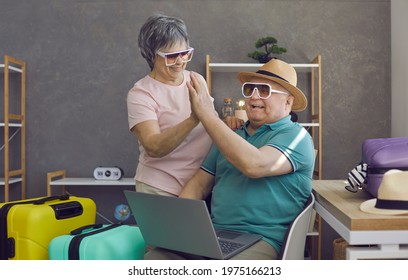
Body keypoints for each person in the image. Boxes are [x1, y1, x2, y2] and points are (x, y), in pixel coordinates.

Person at [145, 58, 315, 260]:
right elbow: (199, 185)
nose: (253, 97)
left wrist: (207, 114)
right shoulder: (230, 134)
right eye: (249, 89)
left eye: (264, 91)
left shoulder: (297, 137)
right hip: (213, 235)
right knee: (155, 259)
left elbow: (255, 165)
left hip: (262, 240)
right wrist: (181, 230)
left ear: (288, 102)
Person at [127, 14, 216, 196]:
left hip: (200, 185)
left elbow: (212, 124)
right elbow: (154, 147)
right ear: (152, 56)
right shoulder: (141, 94)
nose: (180, 61)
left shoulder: (196, 80)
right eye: (171, 56)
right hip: (159, 187)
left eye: (185, 53)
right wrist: (193, 118)